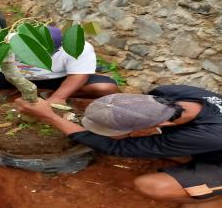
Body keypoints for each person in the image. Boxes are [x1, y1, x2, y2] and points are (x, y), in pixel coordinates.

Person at [15, 84, 222, 207]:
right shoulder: (170, 92)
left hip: (215, 151)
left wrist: (49, 116)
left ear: (161, 123)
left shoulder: (207, 136)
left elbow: (116, 148)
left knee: (152, 186)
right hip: (207, 143)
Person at [0, 26, 119, 105]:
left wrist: (58, 98)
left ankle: (49, 93)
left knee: (105, 88)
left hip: (56, 80)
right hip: (9, 76)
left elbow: (79, 75)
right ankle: (10, 90)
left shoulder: (77, 46)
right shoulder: (8, 39)